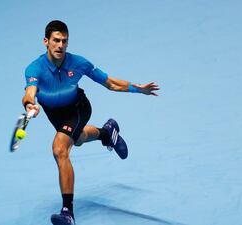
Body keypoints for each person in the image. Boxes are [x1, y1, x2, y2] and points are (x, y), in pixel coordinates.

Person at [21, 20, 159, 225]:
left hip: (77, 108)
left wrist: (137, 89)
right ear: (46, 42)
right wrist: (29, 105)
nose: (60, 45)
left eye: (64, 41)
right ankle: (106, 132)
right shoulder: (35, 68)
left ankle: (67, 211)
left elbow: (110, 82)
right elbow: (29, 92)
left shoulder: (78, 63)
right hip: (54, 113)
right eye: (56, 40)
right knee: (76, 140)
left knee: (60, 148)